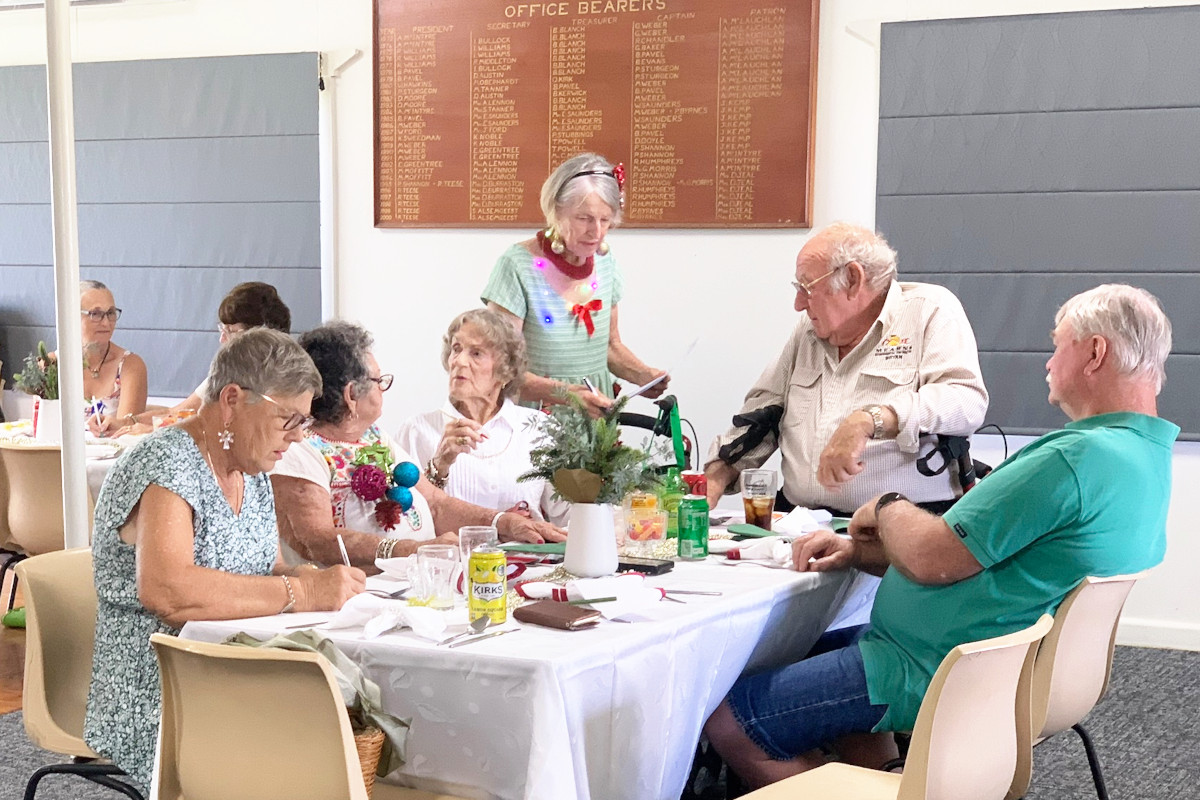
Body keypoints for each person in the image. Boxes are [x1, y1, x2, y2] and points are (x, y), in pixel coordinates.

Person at [703, 284, 1177, 789]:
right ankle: (890, 774)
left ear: (1095, 353)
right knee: (804, 650)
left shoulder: (1072, 459)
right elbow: (979, 557)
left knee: (730, 723)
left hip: (933, 668)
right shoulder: (1143, 455)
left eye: (1058, 346)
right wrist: (857, 551)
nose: (1048, 362)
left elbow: (935, 560)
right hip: (985, 662)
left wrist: (886, 507)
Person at [84, 329, 365, 793]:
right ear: (233, 399)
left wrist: (308, 576)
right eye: (287, 421)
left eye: (303, 424)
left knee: (354, 713)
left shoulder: (249, 466)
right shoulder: (167, 461)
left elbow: (266, 569)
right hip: (160, 688)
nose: (296, 439)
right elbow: (167, 591)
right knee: (320, 740)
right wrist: (303, 592)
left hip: (232, 667)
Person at [705, 222, 989, 516]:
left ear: (853, 279)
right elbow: (762, 417)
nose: (798, 304)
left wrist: (870, 420)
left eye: (807, 288)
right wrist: (717, 475)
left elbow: (965, 401)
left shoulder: (928, 310)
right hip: (800, 521)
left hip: (902, 525)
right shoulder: (808, 331)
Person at [271, 321, 567, 569]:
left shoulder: (376, 437)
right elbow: (319, 541)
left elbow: (436, 505)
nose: (383, 388)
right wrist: (415, 550)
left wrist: (504, 522)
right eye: (379, 381)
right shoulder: (300, 450)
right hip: (354, 603)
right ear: (351, 395)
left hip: (410, 586)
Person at [482, 152, 668, 418]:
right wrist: (568, 394)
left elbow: (609, 346)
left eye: (605, 220)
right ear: (556, 211)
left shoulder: (605, 263)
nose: (596, 231)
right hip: (534, 419)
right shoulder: (517, 266)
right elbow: (500, 367)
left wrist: (643, 374)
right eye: (584, 218)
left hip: (594, 418)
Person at [396, 308, 570, 525]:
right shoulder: (416, 431)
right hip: (451, 557)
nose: (459, 361)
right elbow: (404, 523)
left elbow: (569, 515)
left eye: (476, 353)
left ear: (505, 370)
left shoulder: (538, 429)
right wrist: (439, 465)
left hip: (525, 557)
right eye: (456, 349)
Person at [116, 281, 292, 436]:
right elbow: (180, 412)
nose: (222, 340)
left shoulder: (285, 381)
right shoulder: (229, 373)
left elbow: (216, 429)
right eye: (222, 330)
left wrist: (156, 431)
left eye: (231, 332)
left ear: (261, 336)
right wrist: (124, 422)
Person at [73, 280, 148, 432]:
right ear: (72, 316)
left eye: (111, 313)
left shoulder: (130, 366)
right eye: (96, 314)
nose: (106, 323)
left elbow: (124, 432)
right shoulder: (52, 365)